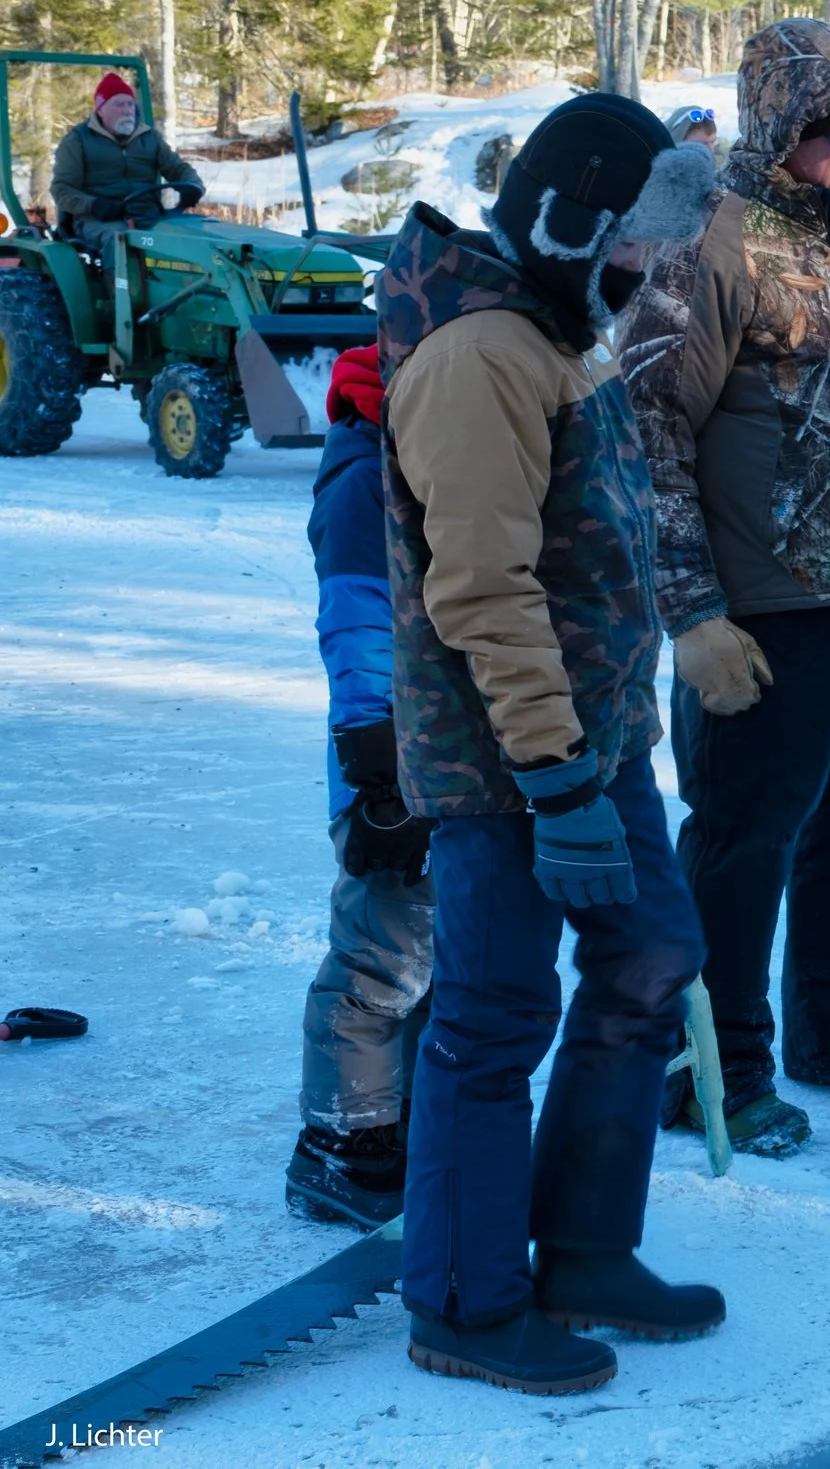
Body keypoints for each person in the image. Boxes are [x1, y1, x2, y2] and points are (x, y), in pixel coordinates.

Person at [380, 93, 721, 1395]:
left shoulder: (556, 333)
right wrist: (556, 777)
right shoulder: (480, 358)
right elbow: (483, 588)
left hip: (594, 742)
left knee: (652, 954)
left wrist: (605, 752)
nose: (650, 275)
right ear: (574, 223)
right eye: (637, 246)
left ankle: (581, 1245)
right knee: (496, 1007)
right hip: (509, 758)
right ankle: (462, 1298)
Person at [616, 19, 830, 1161]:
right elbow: (647, 432)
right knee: (745, 834)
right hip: (760, 604)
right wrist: (692, 615)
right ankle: (713, 1065)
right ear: (783, 131)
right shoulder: (713, 244)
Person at [285, 343, 436, 1231]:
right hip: (388, 757)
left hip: (445, 753)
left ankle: (403, 1111)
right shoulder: (366, 469)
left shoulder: (429, 438)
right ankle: (341, 1142)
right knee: (380, 954)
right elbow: (355, 617)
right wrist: (379, 766)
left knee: (439, 945)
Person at [49, 71, 204, 250]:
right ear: (100, 110)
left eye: (130, 104)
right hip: (99, 220)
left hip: (148, 216)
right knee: (120, 243)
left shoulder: (149, 137)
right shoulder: (78, 140)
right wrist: (94, 205)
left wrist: (193, 185)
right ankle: (115, 278)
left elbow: (177, 169)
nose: (127, 110)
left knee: (192, 236)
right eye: (118, 104)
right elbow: (61, 190)